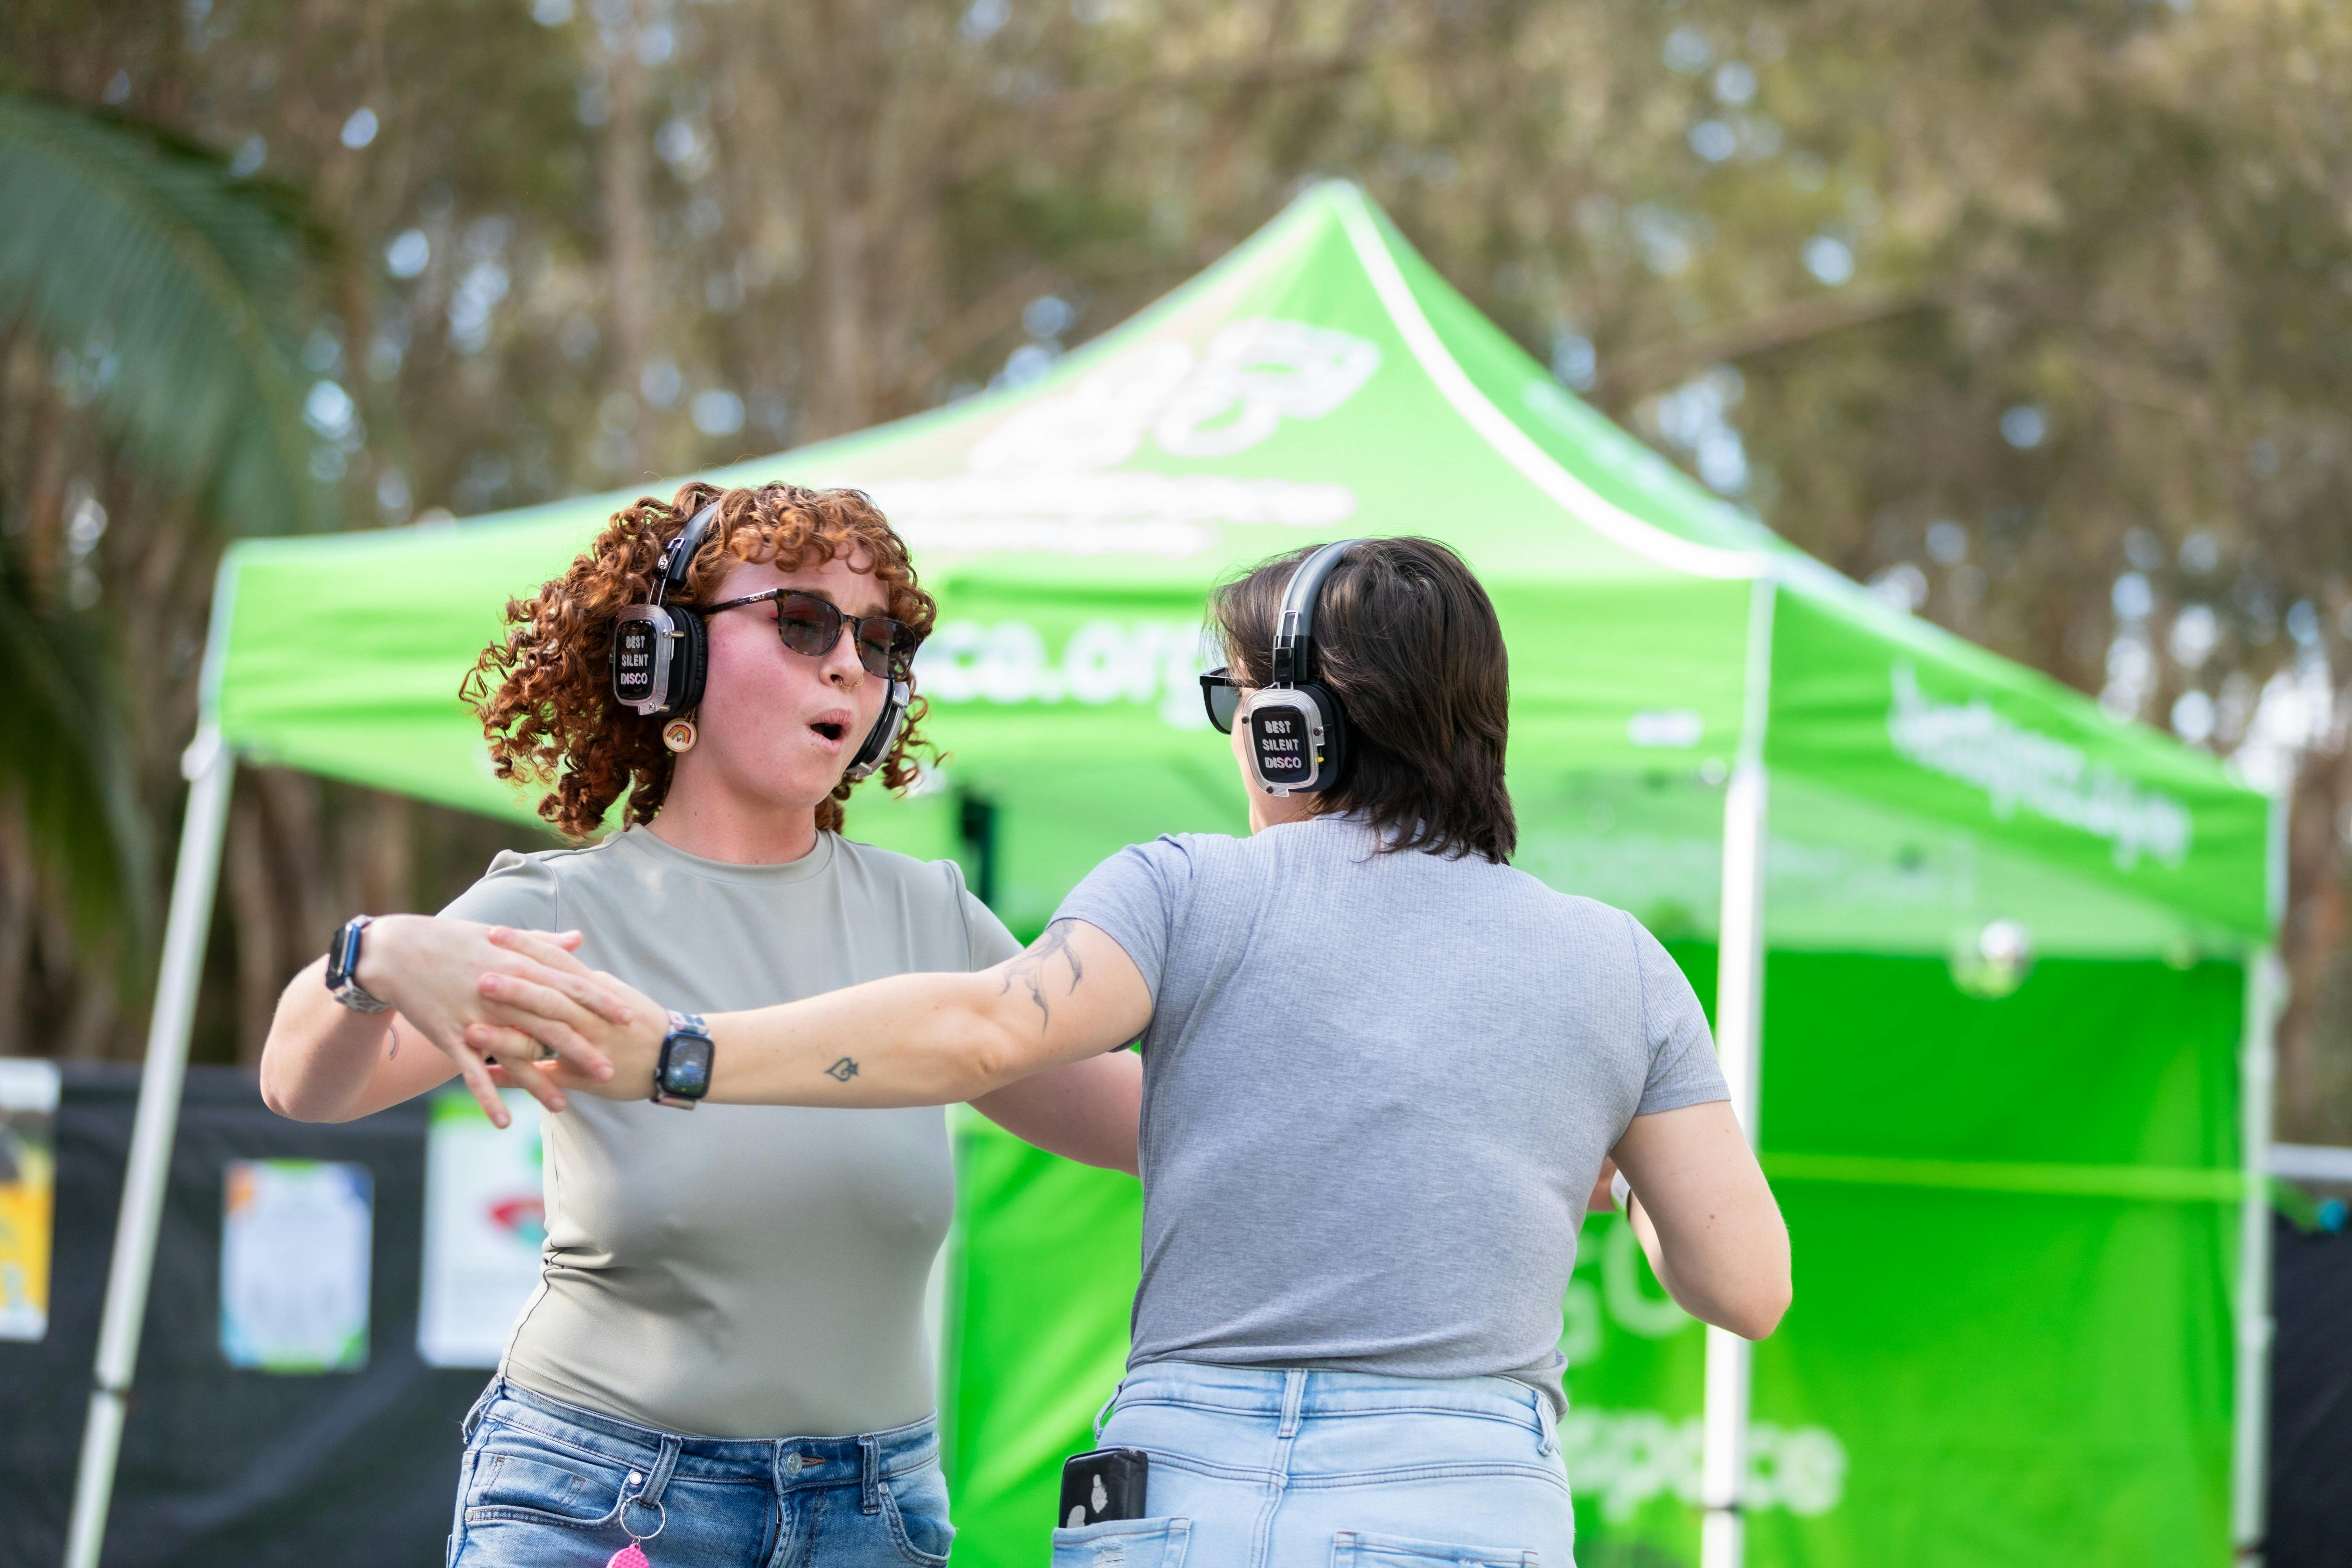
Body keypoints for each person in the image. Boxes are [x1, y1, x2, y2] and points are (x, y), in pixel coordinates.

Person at [475, 536, 1793, 1568]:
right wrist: (1607, 1166)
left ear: (1295, 730)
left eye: (1237, 698)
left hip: (1180, 1491)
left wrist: (682, 1052)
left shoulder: (1182, 889)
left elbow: (985, 1026)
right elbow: (1745, 1287)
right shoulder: (1620, 963)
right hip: (1458, 1487)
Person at [257, 481, 1141, 1568]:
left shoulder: (931, 916)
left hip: (876, 1515)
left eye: (879, 640)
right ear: (665, 656)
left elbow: (1146, 1123)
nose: (849, 666)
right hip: (600, 1503)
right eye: (803, 622)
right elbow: (305, 1084)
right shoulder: (560, 909)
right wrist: (373, 958)